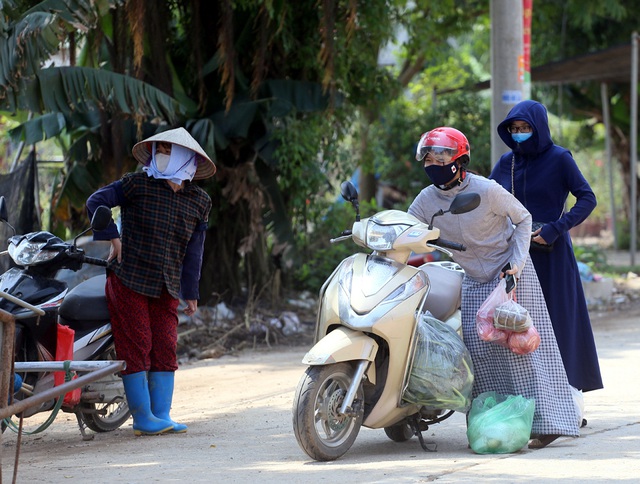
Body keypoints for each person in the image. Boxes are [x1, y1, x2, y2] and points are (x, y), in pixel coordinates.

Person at [408, 126, 579, 449]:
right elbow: (406, 226)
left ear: (460, 161)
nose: (434, 162)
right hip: (473, 280)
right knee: (480, 355)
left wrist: (516, 263)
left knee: (524, 351)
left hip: (509, 276)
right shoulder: (427, 199)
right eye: (428, 157)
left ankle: (548, 423)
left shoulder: (486, 190)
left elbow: (523, 218)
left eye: (441, 156)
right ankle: (493, 421)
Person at [86, 127, 215, 436]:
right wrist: (111, 237)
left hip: (167, 284)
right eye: (158, 149)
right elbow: (96, 201)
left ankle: (162, 414)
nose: (160, 154)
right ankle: (142, 417)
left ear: (186, 158)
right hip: (129, 278)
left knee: (166, 347)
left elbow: (195, 252)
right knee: (138, 344)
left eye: (168, 150)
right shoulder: (135, 184)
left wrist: (191, 292)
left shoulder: (199, 201)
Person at [490, 100, 603, 401]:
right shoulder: (505, 163)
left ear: (539, 127)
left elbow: (587, 198)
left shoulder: (559, 159)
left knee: (560, 325)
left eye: (526, 128)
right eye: (514, 129)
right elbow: (488, 203)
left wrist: (556, 227)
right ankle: (530, 401)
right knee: (518, 328)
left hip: (552, 255)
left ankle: (570, 403)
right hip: (516, 258)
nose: (519, 134)